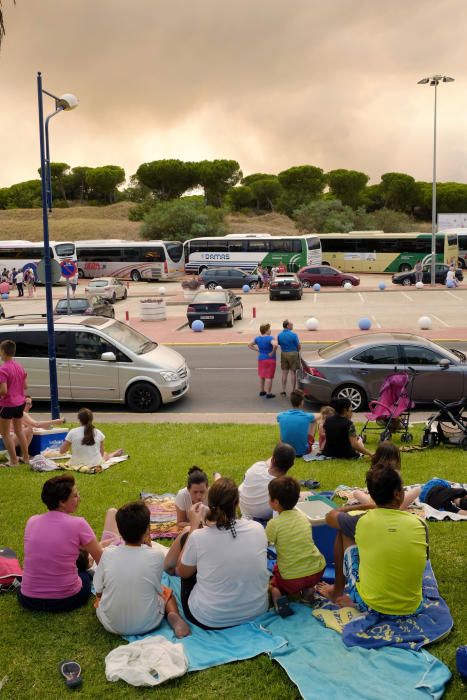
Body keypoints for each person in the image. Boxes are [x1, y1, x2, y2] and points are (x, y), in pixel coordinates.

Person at [318, 465, 428, 615]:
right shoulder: (420, 524)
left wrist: (368, 505)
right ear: (397, 494)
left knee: (343, 531)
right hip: (412, 606)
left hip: (370, 605)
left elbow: (330, 516)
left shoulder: (361, 521)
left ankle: (337, 590)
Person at [170, 478, 269, 630]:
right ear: (237, 503)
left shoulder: (199, 537)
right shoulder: (258, 528)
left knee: (188, 548)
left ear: (210, 503)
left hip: (210, 617)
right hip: (256, 611)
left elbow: (183, 572)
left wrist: (194, 526)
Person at [93, 501, 190, 637]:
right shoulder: (156, 555)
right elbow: (156, 588)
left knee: (101, 598)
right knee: (166, 591)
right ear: (147, 530)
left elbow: (98, 588)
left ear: (120, 531)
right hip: (149, 622)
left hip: (111, 624)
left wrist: (100, 598)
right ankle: (174, 615)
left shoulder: (108, 553)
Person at [18, 474, 103, 612]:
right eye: (75, 496)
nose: (79, 499)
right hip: (65, 600)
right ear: (62, 502)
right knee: (84, 574)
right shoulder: (79, 524)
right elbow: (102, 560)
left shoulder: (32, 521)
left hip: (28, 599)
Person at [267, 476, 325, 616]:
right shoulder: (303, 518)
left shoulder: (274, 524)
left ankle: (277, 597)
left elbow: (266, 543)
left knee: (274, 580)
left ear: (275, 502)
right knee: (303, 575)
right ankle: (308, 592)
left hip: (291, 579)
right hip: (317, 570)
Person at [350, 442, 422, 510]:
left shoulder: (373, 472)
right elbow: (400, 491)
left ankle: (376, 506)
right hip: (396, 504)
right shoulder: (396, 473)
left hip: (376, 503)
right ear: (395, 459)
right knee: (417, 489)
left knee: (356, 492)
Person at [239, 442, 296, 523]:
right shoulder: (283, 487)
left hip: (243, 508)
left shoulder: (257, 466)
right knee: (306, 495)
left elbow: (269, 461)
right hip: (259, 518)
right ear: (292, 465)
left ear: (273, 459)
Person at [0, 339, 29, 466]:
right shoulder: (19, 366)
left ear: (2, 351)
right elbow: (25, 386)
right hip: (20, 403)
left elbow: (4, 391)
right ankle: (26, 458)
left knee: (5, 433)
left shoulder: (3, 369)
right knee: (19, 431)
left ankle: (14, 461)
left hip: (7, 405)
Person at [277, 389, 320, 457]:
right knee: (313, 421)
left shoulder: (281, 415)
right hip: (303, 451)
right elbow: (319, 416)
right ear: (302, 402)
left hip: (285, 450)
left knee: (283, 423)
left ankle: (282, 443)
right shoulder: (306, 416)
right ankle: (309, 442)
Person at [248, 323, 277, 399]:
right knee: (269, 377)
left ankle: (262, 391)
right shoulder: (270, 338)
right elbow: (275, 345)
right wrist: (272, 352)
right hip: (270, 359)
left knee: (262, 375)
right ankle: (268, 393)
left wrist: (257, 349)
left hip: (261, 359)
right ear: (266, 330)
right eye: (269, 329)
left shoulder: (257, 338)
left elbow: (249, 345)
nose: (270, 330)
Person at [277, 320, 301, 395]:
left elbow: (279, 344)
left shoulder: (279, 335)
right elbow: (298, 346)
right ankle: (293, 390)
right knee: (293, 372)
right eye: (291, 325)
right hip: (293, 353)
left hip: (284, 353)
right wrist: (297, 351)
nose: (292, 326)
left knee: (284, 373)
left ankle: (283, 390)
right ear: (287, 326)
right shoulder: (293, 335)